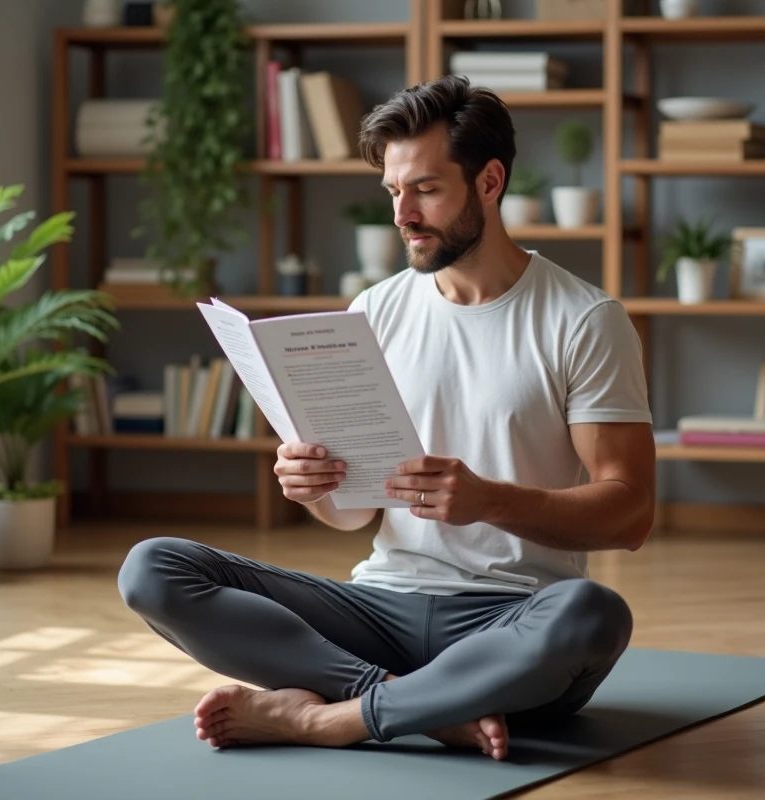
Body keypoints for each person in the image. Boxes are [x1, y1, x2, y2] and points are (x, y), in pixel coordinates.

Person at [118, 75, 656, 761]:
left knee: (594, 613)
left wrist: (491, 501)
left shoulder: (583, 320)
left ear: (489, 182)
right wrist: (318, 487)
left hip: (512, 614)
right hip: (378, 607)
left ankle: (325, 718)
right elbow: (354, 516)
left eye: (426, 189)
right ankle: (401, 702)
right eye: (394, 192)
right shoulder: (373, 310)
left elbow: (630, 512)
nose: (403, 213)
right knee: (152, 568)